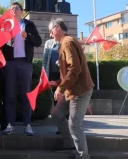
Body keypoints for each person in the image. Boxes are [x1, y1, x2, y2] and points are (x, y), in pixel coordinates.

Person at [48, 18, 94, 158]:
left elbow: (75, 69)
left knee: (74, 125)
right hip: (72, 90)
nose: (50, 35)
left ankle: (83, 156)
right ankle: (69, 144)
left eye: (51, 31)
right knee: (56, 114)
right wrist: (58, 83)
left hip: (79, 91)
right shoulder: (66, 42)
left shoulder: (67, 42)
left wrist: (60, 88)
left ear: (57, 28)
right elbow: (71, 70)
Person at [2, 2, 42, 136]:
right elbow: (0, 44)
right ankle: (10, 124)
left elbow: (38, 41)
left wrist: (28, 36)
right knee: (10, 95)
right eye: (11, 9)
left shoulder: (29, 25)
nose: (13, 10)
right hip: (10, 63)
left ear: (21, 10)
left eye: (16, 8)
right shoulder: (6, 25)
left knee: (26, 95)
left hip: (25, 63)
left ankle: (27, 124)